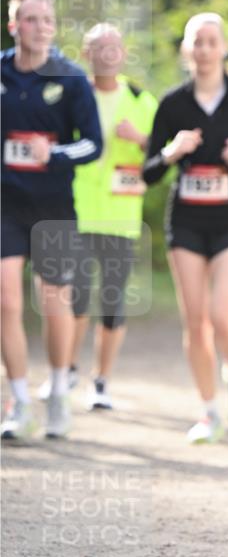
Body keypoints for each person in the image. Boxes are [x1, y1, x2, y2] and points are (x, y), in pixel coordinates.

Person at [143, 12, 228, 442]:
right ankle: (207, 413)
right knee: (196, 321)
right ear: (186, 50)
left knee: (223, 315)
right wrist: (170, 152)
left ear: (223, 48)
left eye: (210, 41)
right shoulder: (172, 104)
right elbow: (147, 174)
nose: (202, 49)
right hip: (186, 222)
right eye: (195, 42)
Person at [1, 0, 102, 439]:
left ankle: (59, 389)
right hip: (6, 203)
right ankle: (20, 402)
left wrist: (54, 152)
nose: (39, 26)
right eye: (30, 19)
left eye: (46, 19)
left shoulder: (72, 78)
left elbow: (93, 144)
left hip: (54, 205)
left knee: (53, 301)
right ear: (13, 26)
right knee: (6, 300)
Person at [66, 23, 158, 410]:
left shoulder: (141, 100)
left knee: (112, 300)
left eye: (114, 47)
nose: (107, 53)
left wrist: (138, 138)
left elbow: (164, 154)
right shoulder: (72, 97)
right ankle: (65, 370)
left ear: (123, 54)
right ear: (86, 54)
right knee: (75, 299)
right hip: (76, 211)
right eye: (98, 47)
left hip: (121, 215)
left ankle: (100, 382)